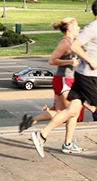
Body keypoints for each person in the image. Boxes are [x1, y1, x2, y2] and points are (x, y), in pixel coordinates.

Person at [30, 0, 97, 161]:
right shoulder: (92, 28)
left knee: (72, 111)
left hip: (82, 75)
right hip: (88, 76)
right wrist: (90, 61)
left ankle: (41, 135)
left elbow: (96, 48)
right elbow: (76, 46)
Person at [19, 18, 83, 154]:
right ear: (70, 29)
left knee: (62, 112)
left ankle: (31, 121)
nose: (79, 27)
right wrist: (70, 62)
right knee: (72, 113)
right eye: (77, 25)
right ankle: (57, 140)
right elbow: (52, 60)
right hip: (64, 80)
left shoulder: (73, 42)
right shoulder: (65, 42)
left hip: (64, 80)